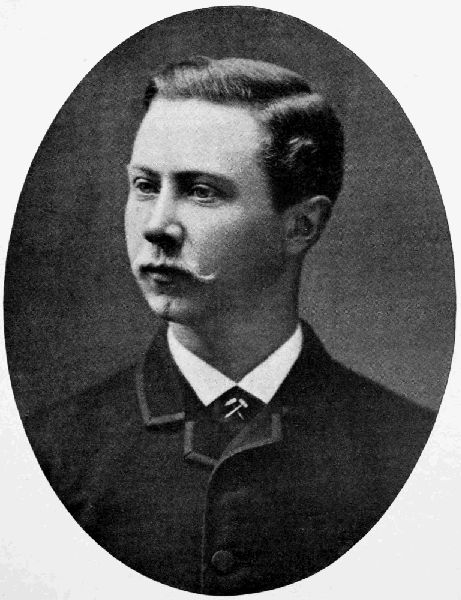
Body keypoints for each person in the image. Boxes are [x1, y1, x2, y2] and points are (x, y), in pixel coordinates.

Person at [25, 57, 436, 595]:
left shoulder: (414, 454)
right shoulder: (50, 456)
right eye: (145, 185)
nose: (156, 226)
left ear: (301, 225)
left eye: (202, 191)